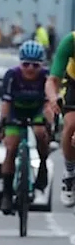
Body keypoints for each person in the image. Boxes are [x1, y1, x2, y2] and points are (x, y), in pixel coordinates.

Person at [0, 40, 52, 214]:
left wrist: (50, 125)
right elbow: (6, 103)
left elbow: (49, 104)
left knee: (41, 132)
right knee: (11, 146)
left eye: (35, 65)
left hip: (37, 111)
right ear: (20, 63)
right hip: (15, 112)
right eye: (26, 64)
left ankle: (42, 165)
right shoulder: (12, 75)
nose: (30, 69)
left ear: (41, 65)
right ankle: (6, 194)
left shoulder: (46, 77)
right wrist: (2, 125)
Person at [46, 31, 75, 205]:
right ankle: (70, 173)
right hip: (73, 84)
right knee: (70, 124)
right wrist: (52, 98)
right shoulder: (70, 41)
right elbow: (52, 80)